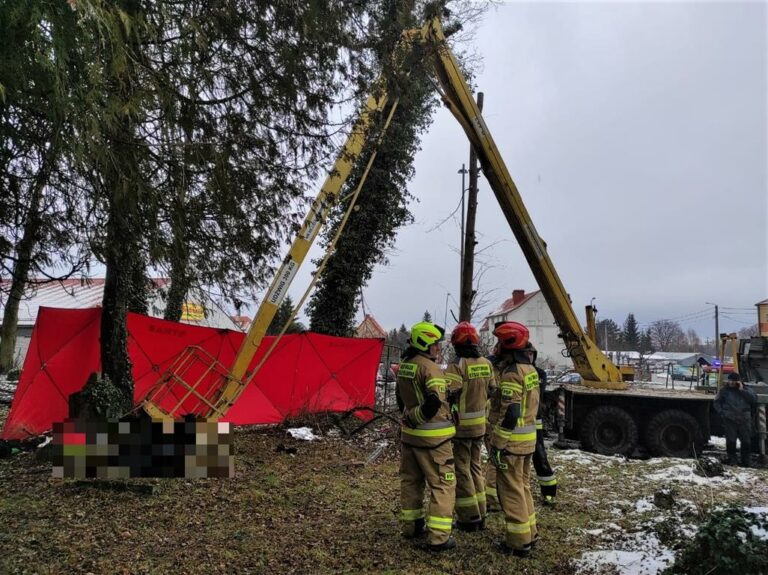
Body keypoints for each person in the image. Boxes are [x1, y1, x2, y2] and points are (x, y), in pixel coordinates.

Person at [396, 321, 457, 551]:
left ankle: (411, 527)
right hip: (435, 441)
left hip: (410, 438)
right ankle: (439, 538)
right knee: (443, 485)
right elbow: (434, 401)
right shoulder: (430, 369)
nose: (437, 349)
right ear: (425, 343)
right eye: (435, 345)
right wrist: (418, 417)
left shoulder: (405, 365)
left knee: (411, 481)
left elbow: (400, 397)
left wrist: (409, 418)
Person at [489, 321, 540, 557]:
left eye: (500, 342)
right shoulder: (530, 370)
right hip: (528, 440)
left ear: (509, 343)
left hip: (512, 443)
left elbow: (511, 412)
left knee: (511, 490)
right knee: (523, 487)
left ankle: (518, 543)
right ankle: (531, 532)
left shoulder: (512, 374)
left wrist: (498, 444)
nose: (497, 347)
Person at [443, 322, 497, 531]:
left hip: (462, 427)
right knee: (476, 467)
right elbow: (493, 390)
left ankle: (469, 517)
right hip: (480, 426)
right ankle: (481, 512)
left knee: (462, 469)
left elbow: (451, 392)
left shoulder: (458, 364)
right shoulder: (486, 363)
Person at [526, 343, 558, 506]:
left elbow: (537, 392)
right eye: (527, 353)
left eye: (532, 354)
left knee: (539, 455)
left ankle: (549, 491)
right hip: (521, 422)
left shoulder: (539, 374)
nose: (529, 356)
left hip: (535, 421)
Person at [714, 372, 757, 467]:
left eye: (734, 380)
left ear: (739, 381)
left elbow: (753, 400)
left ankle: (746, 461)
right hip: (730, 419)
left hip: (744, 419)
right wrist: (723, 413)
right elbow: (716, 402)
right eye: (730, 380)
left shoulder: (747, 390)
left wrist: (742, 390)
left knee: (746, 441)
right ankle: (732, 460)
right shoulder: (724, 391)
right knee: (731, 440)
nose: (732, 382)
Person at [485, 343, 503, 513]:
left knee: (496, 459)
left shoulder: (491, 366)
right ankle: (492, 500)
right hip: (493, 420)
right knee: (494, 459)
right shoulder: (497, 369)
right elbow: (495, 394)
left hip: (491, 419)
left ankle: (494, 496)